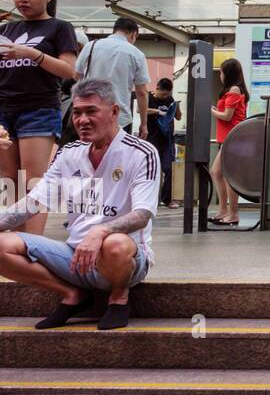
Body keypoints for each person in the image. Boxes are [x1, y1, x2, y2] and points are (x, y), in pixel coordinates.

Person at [0, 78, 158, 331]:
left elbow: (142, 214)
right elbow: (33, 202)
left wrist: (101, 231)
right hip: (75, 257)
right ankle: (72, 294)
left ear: (114, 111)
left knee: (114, 243)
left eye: (91, 111)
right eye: (77, 113)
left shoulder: (141, 152)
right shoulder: (68, 153)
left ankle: (119, 297)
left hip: (123, 259)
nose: (82, 120)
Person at [0, 0, 78, 237]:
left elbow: (70, 70)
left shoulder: (60, 28)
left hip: (39, 109)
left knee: (33, 182)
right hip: (3, 111)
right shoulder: (6, 29)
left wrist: (32, 54)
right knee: (9, 182)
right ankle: (13, 247)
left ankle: (32, 245)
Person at [74, 16, 149, 134]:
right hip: (120, 117)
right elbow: (142, 92)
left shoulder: (91, 46)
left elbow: (77, 75)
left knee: (90, 150)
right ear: (134, 35)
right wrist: (143, 124)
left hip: (90, 113)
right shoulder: (136, 54)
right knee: (117, 151)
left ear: (115, 30)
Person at [209, 58, 249, 226]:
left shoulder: (233, 89)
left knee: (226, 175)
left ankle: (232, 213)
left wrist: (211, 111)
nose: (220, 75)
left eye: (222, 72)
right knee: (219, 173)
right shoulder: (235, 89)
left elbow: (227, 115)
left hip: (232, 138)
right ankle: (224, 210)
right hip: (230, 137)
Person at [145, 77, 179, 208]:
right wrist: (157, 111)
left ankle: (167, 199)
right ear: (157, 88)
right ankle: (151, 200)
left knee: (169, 168)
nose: (165, 97)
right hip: (152, 139)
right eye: (163, 94)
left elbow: (178, 116)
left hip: (167, 140)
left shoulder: (169, 99)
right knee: (152, 170)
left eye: (168, 95)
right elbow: (140, 110)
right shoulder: (148, 97)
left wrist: (176, 107)